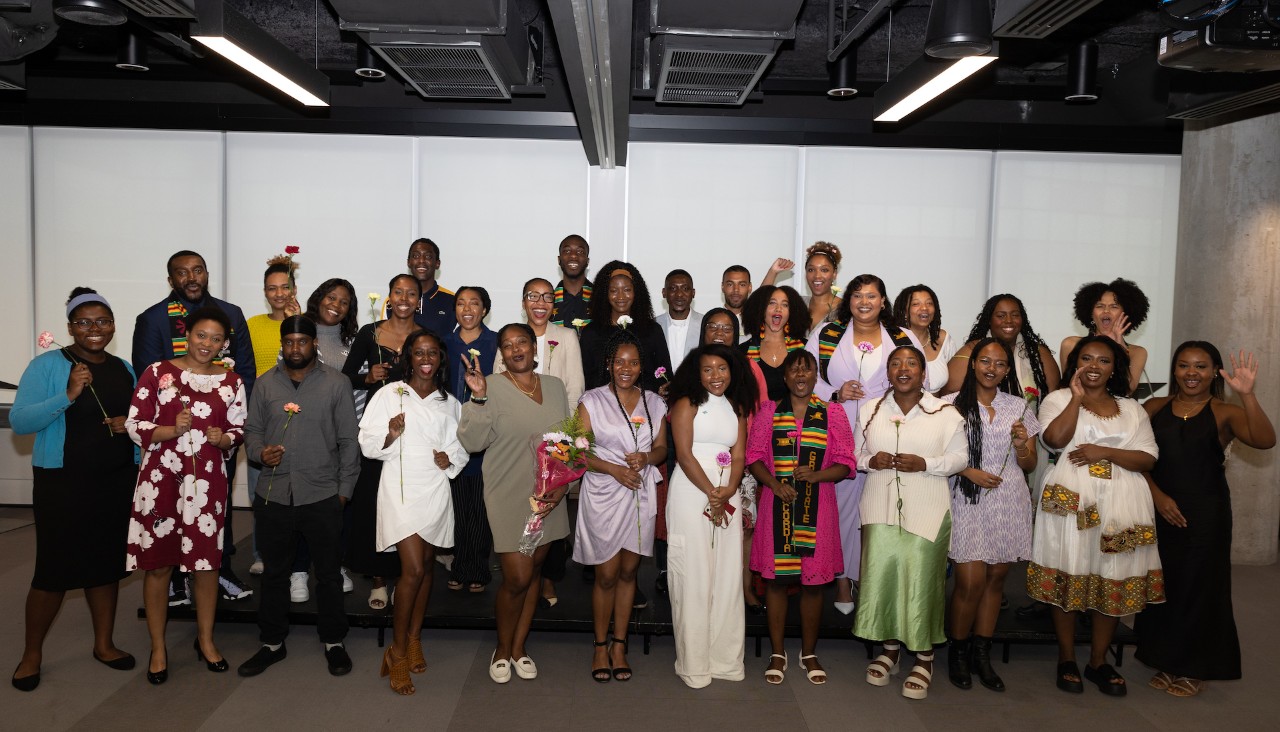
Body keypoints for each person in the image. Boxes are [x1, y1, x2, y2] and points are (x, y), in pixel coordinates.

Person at [10, 288, 137, 692]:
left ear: (113, 325)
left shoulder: (125, 368)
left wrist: (128, 427)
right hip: (63, 483)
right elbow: (20, 421)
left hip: (115, 481)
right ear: (70, 327)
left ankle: (104, 645)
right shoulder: (48, 365)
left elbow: (138, 421)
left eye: (102, 321)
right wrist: (68, 394)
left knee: (104, 566)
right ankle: (32, 655)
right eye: (84, 322)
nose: (94, 329)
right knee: (53, 571)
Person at [1135, 343, 1275, 697]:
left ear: (1214, 372)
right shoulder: (1154, 407)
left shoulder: (1224, 412)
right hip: (1158, 507)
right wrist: (1156, 495)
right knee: (1162, 584)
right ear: (1175, 370)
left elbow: (1265, 440)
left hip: (1205, 513)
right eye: (1183, 366)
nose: (1191, 373)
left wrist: (1248, 396)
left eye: (1200, 366)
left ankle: (1194, 666)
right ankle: (1164, 658)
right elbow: (1136, 459)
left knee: (1201, 587)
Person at [1026, 335, 1161, 697]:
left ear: (1115, 368)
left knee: (1113, 577)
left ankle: (1099, 661)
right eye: (1086, 358)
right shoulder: (1056, 399)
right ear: (1075, 364)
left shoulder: (1132, 408)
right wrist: (1075, 399)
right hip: (1070, 500)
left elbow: (1148, 458)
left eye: (1103, 360)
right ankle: (1067, 658)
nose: (1094, 366)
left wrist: (1102, 451)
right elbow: (1054, 441)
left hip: (1124, 504)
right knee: (1067, 572)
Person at [126, 306, 247, 685]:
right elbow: (134, 423)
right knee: (159, 565)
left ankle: (206, 640)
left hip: (207, 484)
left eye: (216, 339)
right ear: (187, 335)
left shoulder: (231, 381)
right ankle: (159, 647)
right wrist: (168, 429)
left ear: (224, 343)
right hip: (160, 480)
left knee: (205, 566)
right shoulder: (158, 372)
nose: (207, 344)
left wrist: (224, 438)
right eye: (201, 336)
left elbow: (239, 428)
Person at [239, 316, 359, 679]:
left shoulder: (337, 384)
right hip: (274, 493)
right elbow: (252, 433)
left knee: (328, 575)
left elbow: (348, 442)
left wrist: (343, 493)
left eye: (302, 342)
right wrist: (261, 453)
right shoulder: (264, 385)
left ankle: (334, 642)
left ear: (314, 345)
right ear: (282, 344)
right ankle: (272, 643)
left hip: (323, 494)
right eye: (289, 342)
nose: (295, 348)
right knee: (274, 574)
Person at [132, 250, 254, 603]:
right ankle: (172, 577)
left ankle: (220, 569)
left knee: (216, 508)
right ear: (171, 280)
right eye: (182, 273)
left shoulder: (230, 314)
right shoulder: (153, 319)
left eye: (197, 270)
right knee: (167, 510)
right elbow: (148, 381)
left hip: (216, 438)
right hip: (170, 442)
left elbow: (244, 371)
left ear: (207, 273)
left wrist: (230, 428)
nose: (191, 277)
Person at [458, 323, 573, 684]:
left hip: (548, 499)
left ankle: (520, 647)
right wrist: (476, 398)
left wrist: (561, 487)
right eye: (507, 345)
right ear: (502, 355)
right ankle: (502, 648)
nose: (515, 349)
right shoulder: (488, 387)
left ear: (534, 348)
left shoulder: (554, 387)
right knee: (517, 576)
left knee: (535, 572)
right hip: (510, 497)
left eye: (521, 341)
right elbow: (472, 442)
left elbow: (567, 441)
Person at [360, 329, 469, 695]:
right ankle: (397, 651)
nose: (426, 358)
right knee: (414, 570)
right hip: (401, 491)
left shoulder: (449, 402)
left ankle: (414, 639)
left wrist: (449, 458)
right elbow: (368, 443)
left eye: (432, 353)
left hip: (436, 490)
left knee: (426, 573)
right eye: (419, 352)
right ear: (409, 356)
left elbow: (461, 446)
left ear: (440, 359)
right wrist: (391, 434)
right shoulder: (390, 395)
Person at [805, 273, 922, 614]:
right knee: (840, 508)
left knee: (878, 511)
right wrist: (834, 393)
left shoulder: (902, 336)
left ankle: (871, 579)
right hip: (836, 432)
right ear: (848, 301)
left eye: (872, 296)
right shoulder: (828, 334)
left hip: (886, 433)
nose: (864, 302)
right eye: (857, 296)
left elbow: (918, 379)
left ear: (884, 302)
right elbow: (805, 377)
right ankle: (842, 580)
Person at [855, 345, 966, 700]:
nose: (903, 369)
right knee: (883, 578)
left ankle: (924, 656)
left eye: (911, 364)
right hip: (878, 505)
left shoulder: (946, 412)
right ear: (888, 372)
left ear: (923, 373)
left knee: (922, 581)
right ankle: (889, 651)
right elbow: (855, 456)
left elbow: (960, 459)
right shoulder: (869, 410)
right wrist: (873, 459)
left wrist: (926, 463)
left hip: (928, 508)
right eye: (896, 364)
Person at [747, 349, 855, 686]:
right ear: (785, 377)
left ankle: (808, 652)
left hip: (817, 509)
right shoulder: (768, 412)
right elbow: (753, 458)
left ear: (815, 376)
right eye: (794, 370)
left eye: (806, 370)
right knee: (778, 583)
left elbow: (846, 462)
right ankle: (778, 652)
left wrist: (817, 475)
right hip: (775, 506)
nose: (800, 376)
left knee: (813, 586)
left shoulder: (833, 413)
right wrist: (774, 485)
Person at [940, 337, 1040, 692]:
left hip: (1009, 499)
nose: (991, 369)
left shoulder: (1019, 407)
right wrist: (968, 471)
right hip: (968, 499)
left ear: (1007, 370)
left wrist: (1020, 444)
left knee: (996, 581)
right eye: (985, 361)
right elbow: (941, 457)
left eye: (999, 364)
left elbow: (1029, 464)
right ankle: (958, 650)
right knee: (970, 582)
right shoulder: (950, 406)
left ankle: (982, 652)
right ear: (973, 363)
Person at [575, 329, 668, 682]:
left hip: (640, 493)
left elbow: (662, 449)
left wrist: (646, 457)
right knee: (607, 574)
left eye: (632, 362)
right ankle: (600, 645)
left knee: (630, 573)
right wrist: (614, 469)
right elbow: (578, 452)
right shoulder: (592, 400)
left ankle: (619, 643)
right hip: (602, 492)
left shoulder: (655, 403)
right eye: (619, 362)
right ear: (609, 365)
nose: (625, 368)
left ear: (641, 365)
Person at [665, 343, 758, 689]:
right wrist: (711, 493)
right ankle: (694, 664)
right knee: (694, 572)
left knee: (727, 575)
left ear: (732, 371)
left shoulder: (737, 407)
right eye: (708, 369)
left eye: (722, 368)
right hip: (692, 492)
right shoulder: (686, 403)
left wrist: (729, 489)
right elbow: (684, 454)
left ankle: (725, 661)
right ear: (696, 372)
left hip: (726, 494)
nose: (715, 376)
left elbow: (739, 455)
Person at [495, 277, 586, 607]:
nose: (540, 302)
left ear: (554, 303)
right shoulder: (509, 337)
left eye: (547, 296)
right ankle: (523, 579)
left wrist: (567, 447)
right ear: (523, 302)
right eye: (533, 296)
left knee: (550, 510)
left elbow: (574, 391)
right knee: (520, 512)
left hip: (555, 440)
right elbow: (496, 387)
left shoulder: (567, 337)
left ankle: (547, 579)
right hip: (515, 444)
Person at [344, 274, 420, 609]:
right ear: (389, 297)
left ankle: (406, 571)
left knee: (406, 502)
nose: (404, 298)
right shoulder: (370, 334)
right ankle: (377, 578)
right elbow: (346, 376)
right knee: (374, 500)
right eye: (398, 292)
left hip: (415, 428)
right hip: (378, 428)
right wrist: (367, 376)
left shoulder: (426, 337)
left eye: (411, 293)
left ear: (419, 300)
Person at [245, 260, 306, 593]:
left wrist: (296, 321)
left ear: (294, 290)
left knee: (300, 493)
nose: (279, 293)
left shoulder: (304, 325)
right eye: (272, 288)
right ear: (265, 292)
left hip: (301, 413)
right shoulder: (253, 325)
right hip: (264, 414)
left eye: (285, 287)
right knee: (262, 488)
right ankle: (260, 552)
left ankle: (299, 560)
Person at [303, 278, 360, 595]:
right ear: (319, 298)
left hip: (345, 438)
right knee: (306, 505)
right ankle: (299, 570)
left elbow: (359, 393)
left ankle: (337, 565)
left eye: (344, 302)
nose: (336, 305)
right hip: (309, 437)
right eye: (331, 297)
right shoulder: (301, 337)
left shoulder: (354, 342)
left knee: (342, 505)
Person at [443, 286, 498, 593]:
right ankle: (458, 563)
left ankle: (477, 567)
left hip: (484, 431)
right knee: (455, 502)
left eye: (474, 303)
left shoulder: (494, 343)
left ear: (484, 310)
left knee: (478, 502)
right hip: (449, 432)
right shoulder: (444, 343)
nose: (467, 309)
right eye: (461, 303)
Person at [578, 261, 672, 393]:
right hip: (601, 408)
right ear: (605, 293)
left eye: (627, 290)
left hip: (645, 407)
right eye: (614, 290)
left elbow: (665, 376)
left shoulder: (652, 330)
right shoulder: (591, 333)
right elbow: (585, 380)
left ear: (636, 292)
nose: (621, 296)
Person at [945, 293, 1059, 398]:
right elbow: (949, 394)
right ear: (989, 320)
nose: (1009, 320)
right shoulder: (970, 351)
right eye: (1001, 316)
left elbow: (1052, 400)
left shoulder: (1038, 353)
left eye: (1015, 315)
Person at [1059, 278, 1150, 394]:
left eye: (1114, 306)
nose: (1106, 311)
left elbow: (1128, 390)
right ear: (1091, 313)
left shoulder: (1137, 352)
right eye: (1100, 306)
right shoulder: (1071, 344)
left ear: (1126, 314)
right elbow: (1066, 386)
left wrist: (1119, 347)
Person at [740, 285, 809, 402]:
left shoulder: (806, 347)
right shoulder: (743, 351)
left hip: (797, 418)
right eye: (772, 303)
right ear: (760, 309)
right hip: (757, 418)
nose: (778, 309)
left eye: (785, 305)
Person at [893, 284, 956, 394]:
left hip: (936, 408)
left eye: (929, 303)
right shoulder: (892, 340)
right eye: (916, 304)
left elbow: (953, 384)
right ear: (904, 312)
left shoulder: (943, 338)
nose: (924, 308)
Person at [402, 238, 456, 335]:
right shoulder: (393, 301)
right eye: (416, 256)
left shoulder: (453, 301)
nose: (421, 260)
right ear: (408, 262)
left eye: (428, 256)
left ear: (437, 263)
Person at [656, 269, 702, 370]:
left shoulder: (705, 324)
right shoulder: (652, 326)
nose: (679, 294)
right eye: (673, 288)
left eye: (685, 288)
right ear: (664, 293)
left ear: (693, 293)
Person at [551, 234, 592, 328]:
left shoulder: (601, 298)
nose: (573, 255)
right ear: (559, 260)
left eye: (580, 251)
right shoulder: (549, 301)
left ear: (587, 261)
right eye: (567, 251)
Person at [720, 265, 753, 343]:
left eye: (742, 285)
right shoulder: (712, 320)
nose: (736, 290)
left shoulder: (756, 320)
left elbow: (762, 295)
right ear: (722, 287)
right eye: (730, 284)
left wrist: (773, 272)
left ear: (750, 287)